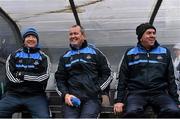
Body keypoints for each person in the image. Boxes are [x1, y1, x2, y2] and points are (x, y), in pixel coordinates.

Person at [114, 23, 180, 118]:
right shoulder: (130, 53)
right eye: (149, 33)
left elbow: (172, 79)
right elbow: (122, 79)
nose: (152, 35)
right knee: (132, 112)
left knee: (173, 111)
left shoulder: (164, 52)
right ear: (141, 37)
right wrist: (119, 101)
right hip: (136, 94)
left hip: (160, 93)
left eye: (154, 33)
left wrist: (176, 101)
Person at [55, 25, 112, 118]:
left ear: (83, 36)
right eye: (71, 34)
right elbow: (59, 79)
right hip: (72, 98)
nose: (73, 36)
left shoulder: (95, 53)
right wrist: (65, 95)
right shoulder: (65, 57)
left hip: (92, 98)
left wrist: (96, 89)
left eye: (76, 33)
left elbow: (108, 74)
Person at [0, 27, 51, 118]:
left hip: (36, 96)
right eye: (28, 36)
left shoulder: (44, 57)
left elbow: (43, 77)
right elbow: (10, 77)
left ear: (37, 40)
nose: (31, 39)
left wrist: (22, 76)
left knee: (44, 117)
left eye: (33, 37)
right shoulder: (13, 55)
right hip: (13, 95)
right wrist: (32, 79)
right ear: (24, 40)